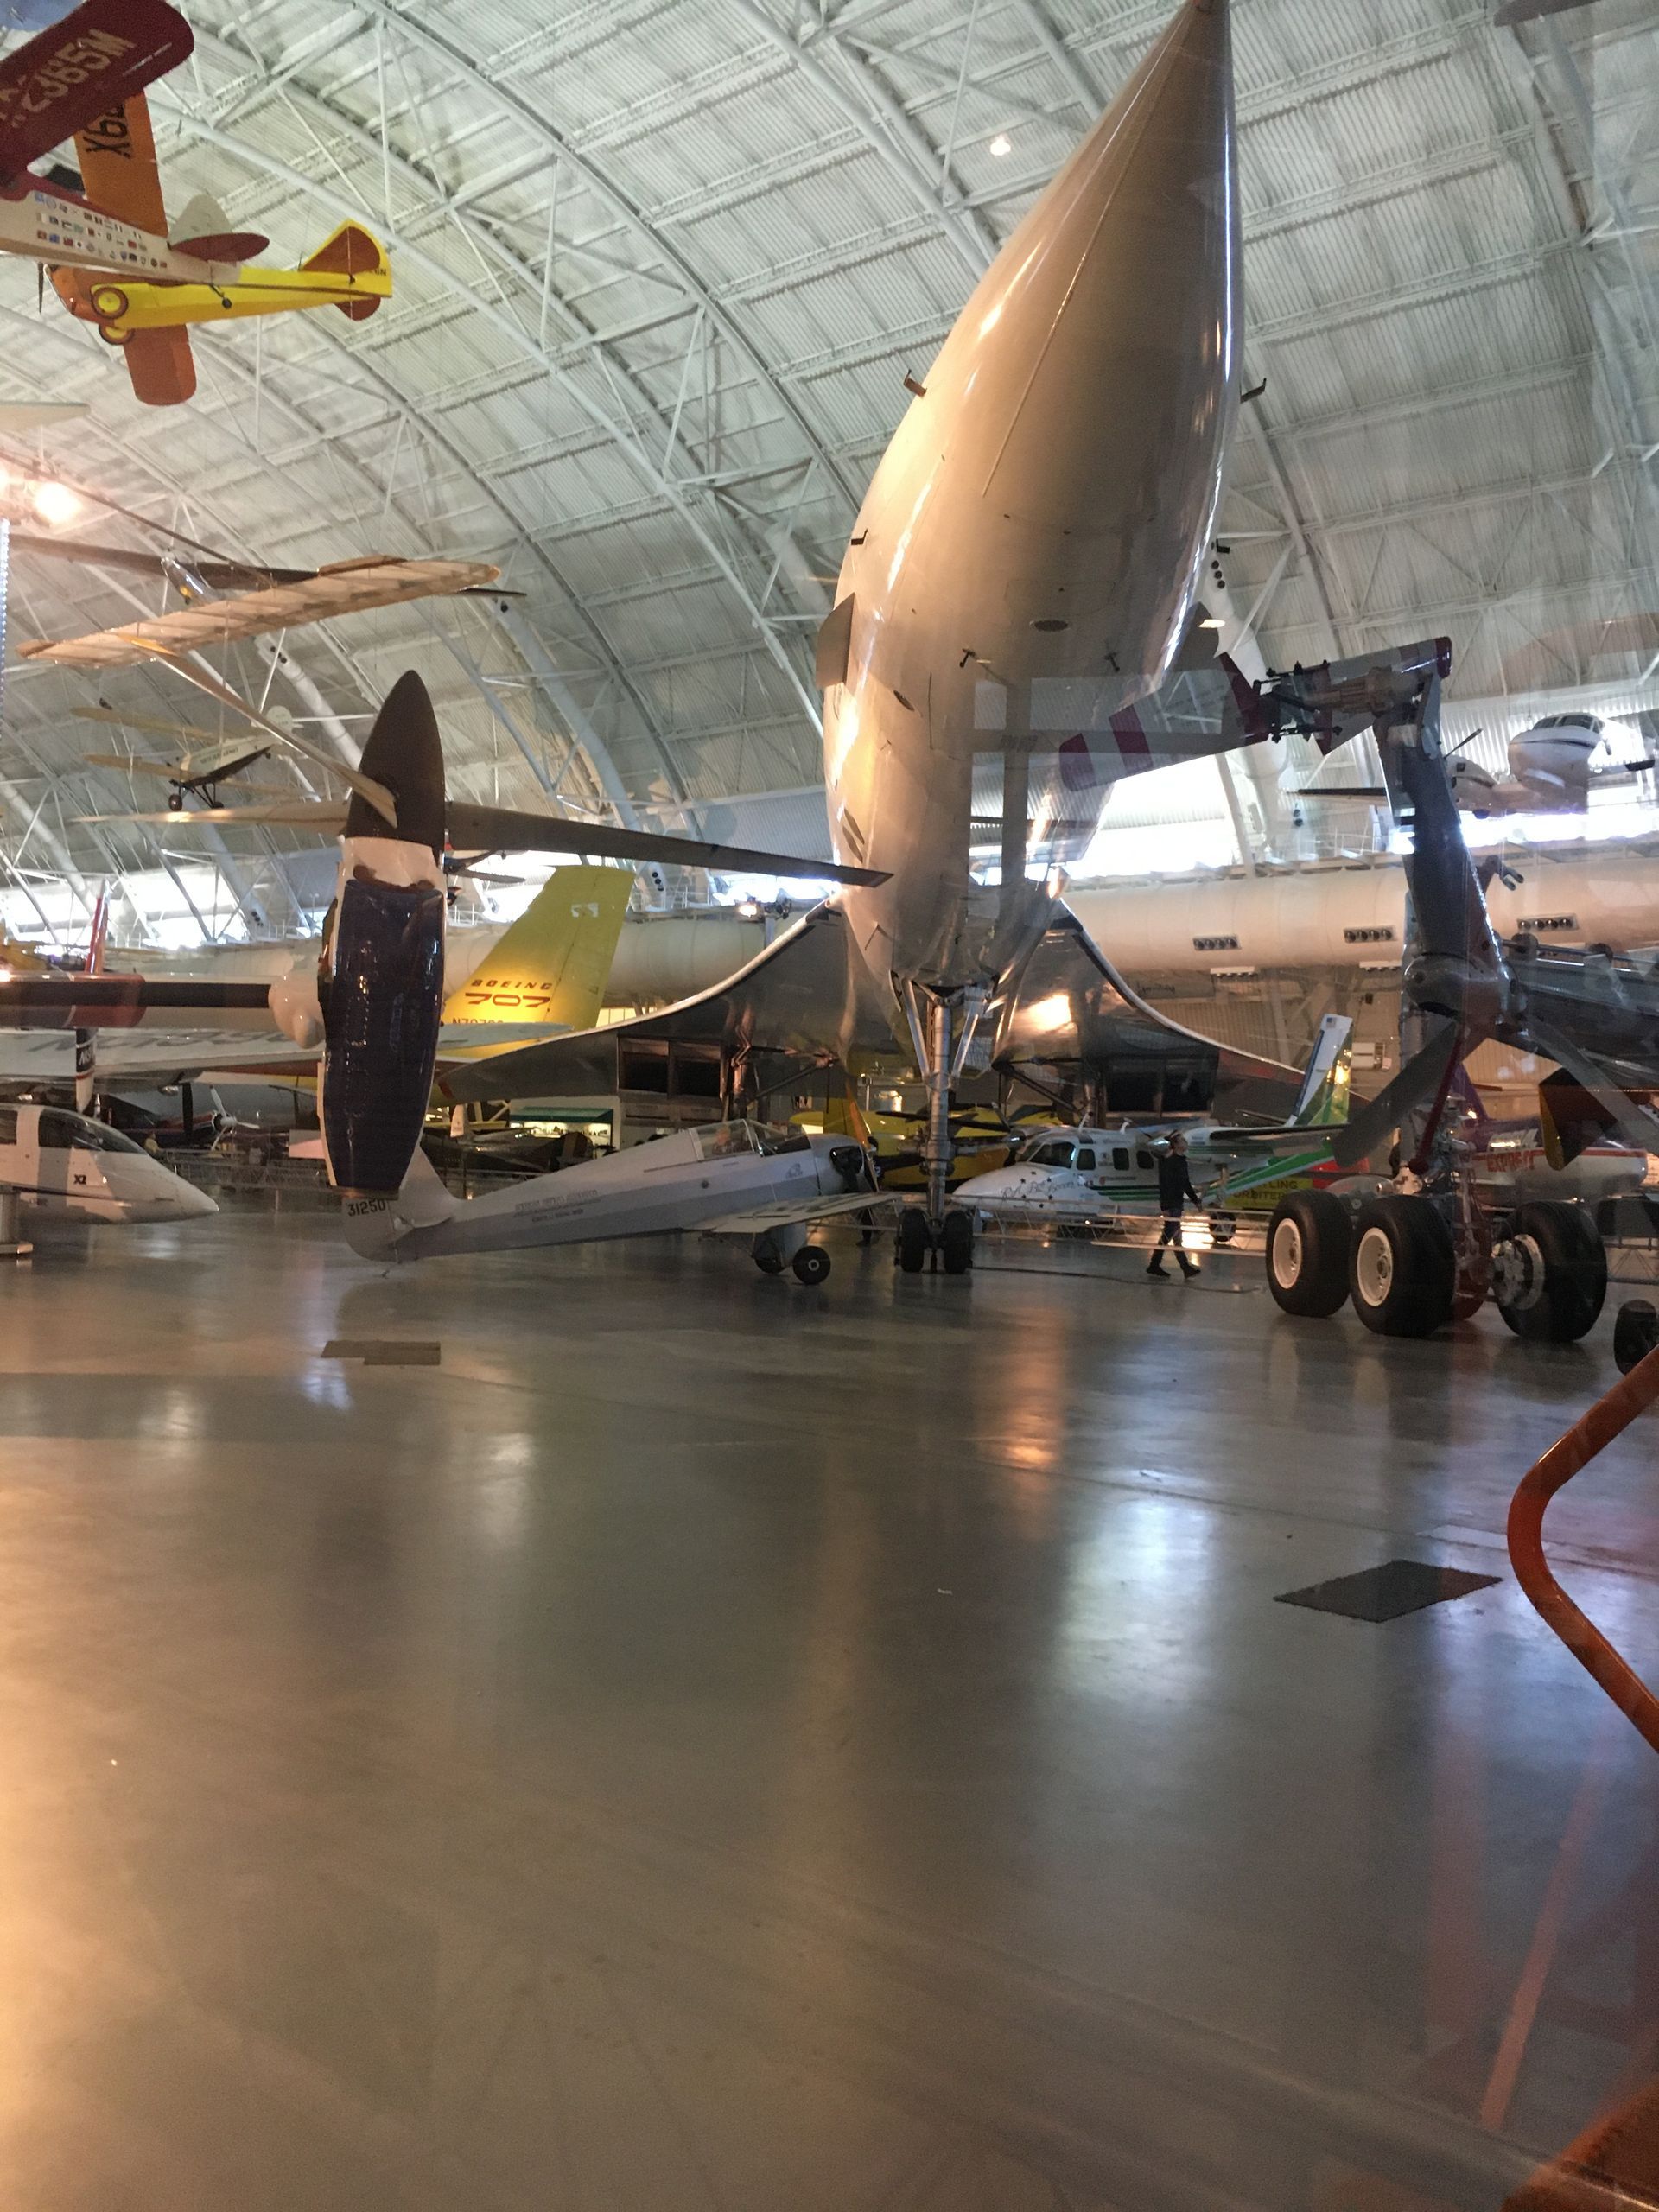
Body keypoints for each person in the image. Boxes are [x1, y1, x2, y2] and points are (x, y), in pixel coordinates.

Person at [1148, 1133, 1200, 1280]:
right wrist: (1196, 1200)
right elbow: (1177, 1183)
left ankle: (1181, 1267)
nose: (1186, 1142)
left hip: (1174, 1202)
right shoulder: (1173, 1161)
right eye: (1183, 1140)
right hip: (1172, 1203)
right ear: (1176, 1144)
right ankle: (1159, 1264)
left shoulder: (1173, 1160)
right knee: (1171, 1234)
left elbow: (1184, 1183)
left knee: (1173, 1234)